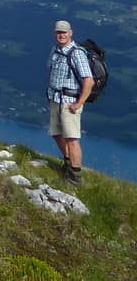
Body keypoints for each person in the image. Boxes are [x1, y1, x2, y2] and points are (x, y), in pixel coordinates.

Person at [47, 19, 93, 186]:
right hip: (55, 99)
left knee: (72, 138)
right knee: (56, 133)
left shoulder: (76, 53)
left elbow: (89, 80)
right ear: (55, 33)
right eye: (59, 32)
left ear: (70, 33)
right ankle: (68, 163)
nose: (61, 35)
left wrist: (79, 102)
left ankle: (75, 178)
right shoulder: (55, 50)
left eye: (64, 32)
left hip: (70, 102)